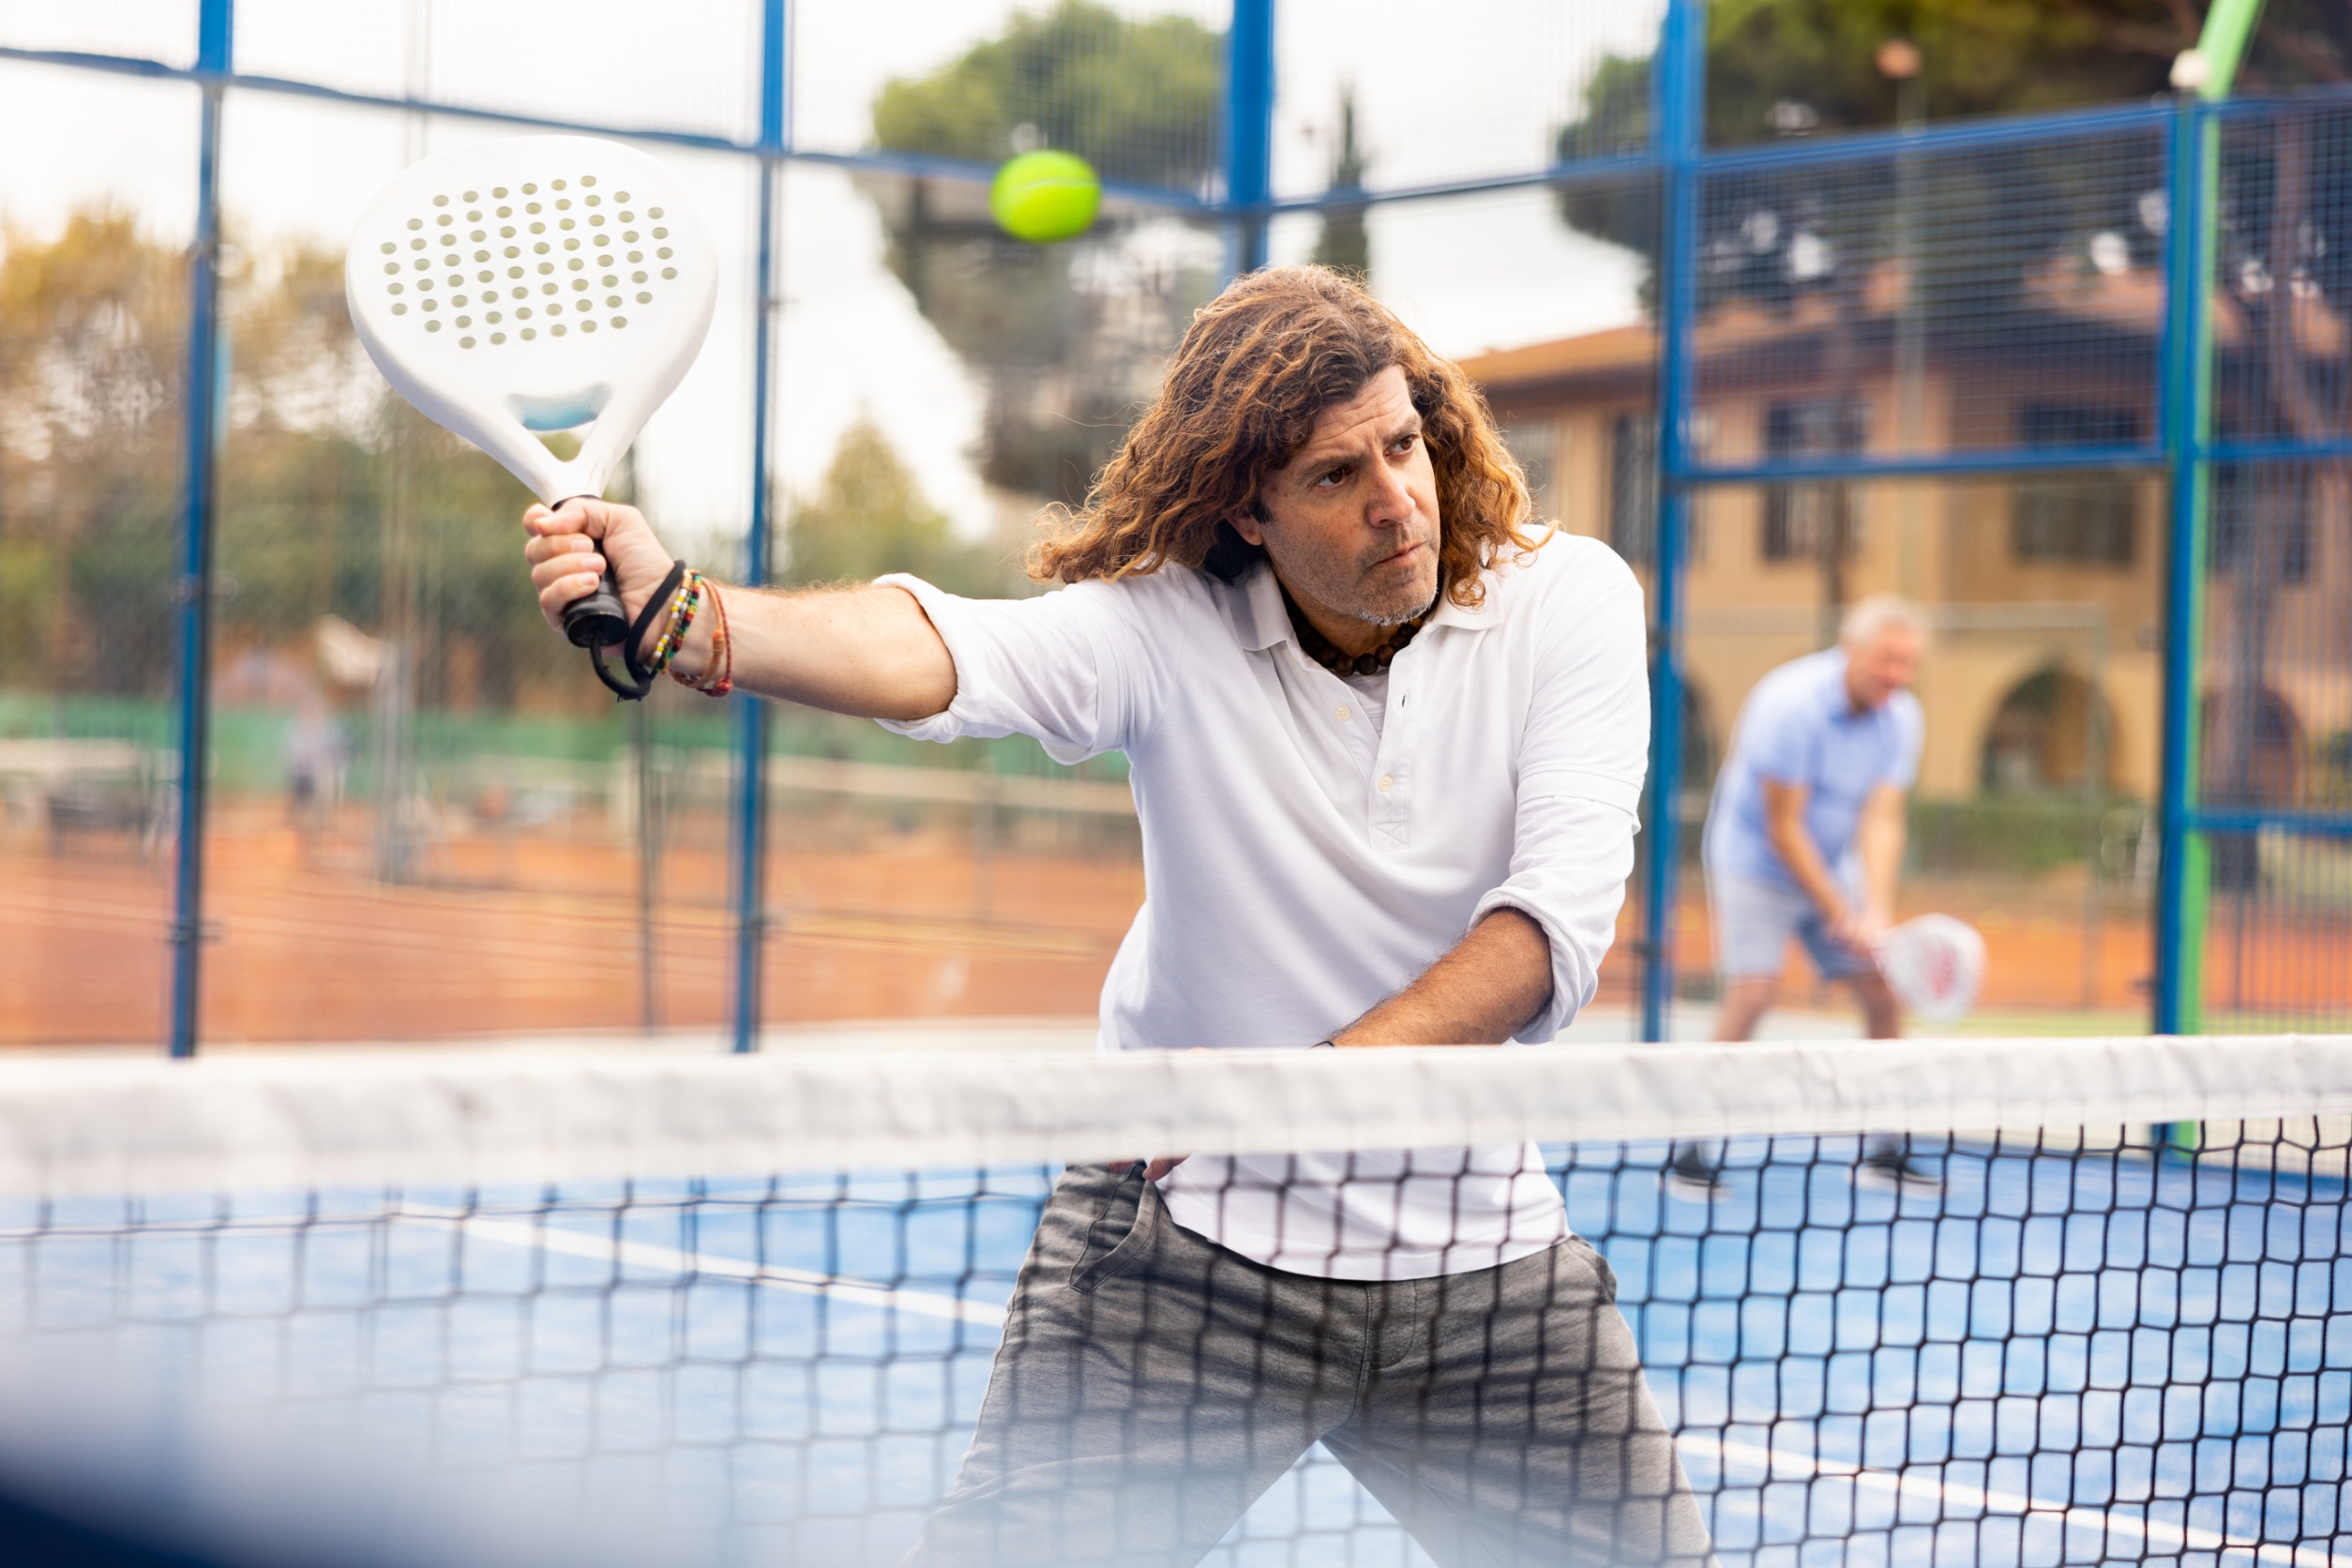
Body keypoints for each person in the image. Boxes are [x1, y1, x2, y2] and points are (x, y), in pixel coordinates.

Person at [520, 266, 1710, 1568]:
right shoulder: (1165, 633)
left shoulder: (1570, 603)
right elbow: (950, 651)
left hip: (1488, 1275)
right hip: (1188, 1255)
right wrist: (692, 617)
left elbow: (1546, 936)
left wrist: (1297, 1097)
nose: (1396, 502)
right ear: (1247, 513)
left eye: (1403, 446)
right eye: (1334, 478)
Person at [1681, 595, 1930, 1192]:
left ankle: (1885, 1148)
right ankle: (1689, 1147)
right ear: (1852, 651)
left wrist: (1874, 909)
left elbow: (1882, 820)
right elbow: (1783, 827)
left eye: (1906, 663)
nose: (1895, 675)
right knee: (1754, 993)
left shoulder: (1902, 718)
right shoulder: (1788, 702)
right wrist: (1841, 911)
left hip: (1831, 863)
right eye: (1884, 661)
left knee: (1882, 992)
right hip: (1754, 863)